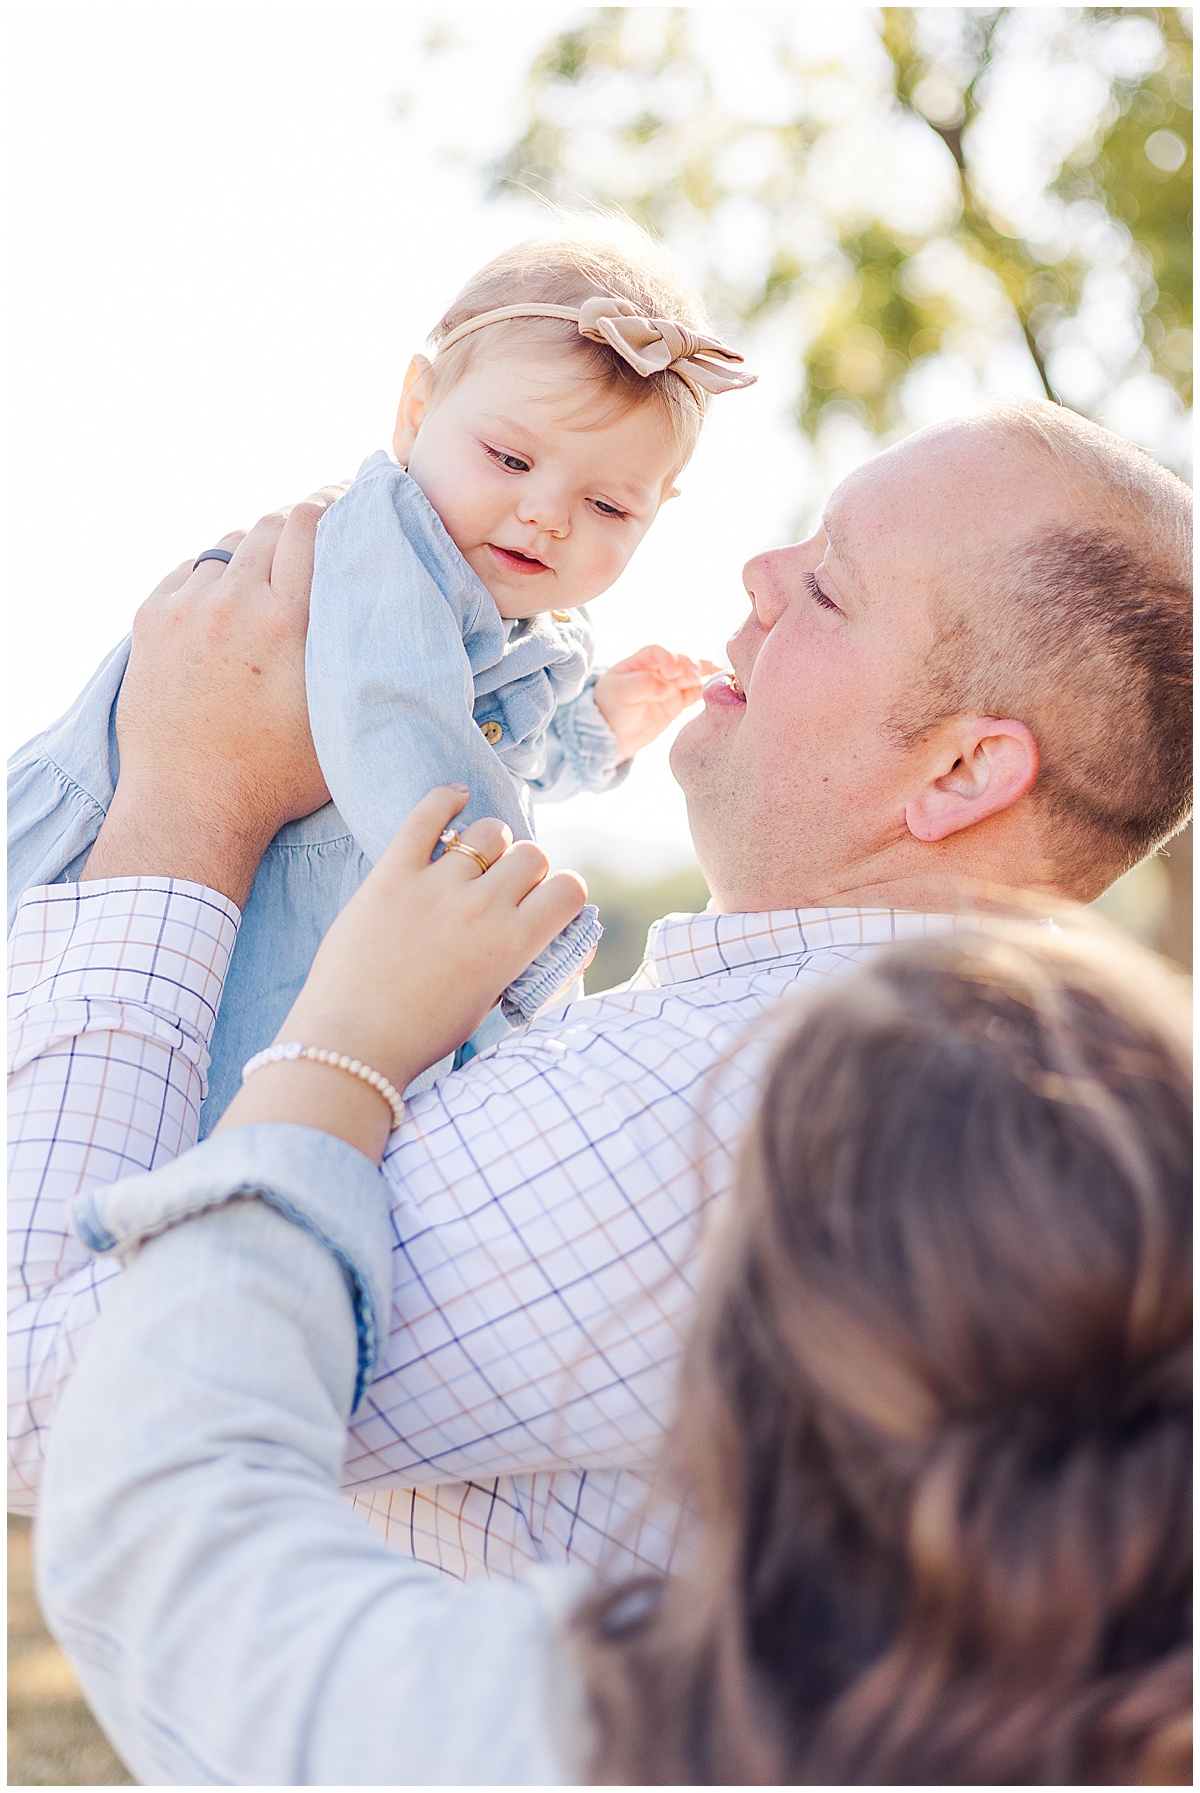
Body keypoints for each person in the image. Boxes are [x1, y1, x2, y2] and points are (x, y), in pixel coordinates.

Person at [9, 397, 1192, 1582]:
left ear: (962, 769)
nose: (762, 573)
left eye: (830, 587)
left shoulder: (718, 1103)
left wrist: (184, 802)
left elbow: (46, 1406)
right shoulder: (930, 1091)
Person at [34, 811, 1192, 1784]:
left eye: (835, 591)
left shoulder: (619, 1732)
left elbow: (137, 1485)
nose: (760, 573)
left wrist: (336, 1032)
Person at [8, 223, 751, 1124]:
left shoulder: (529, 623)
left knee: (229, 1096)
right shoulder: (380, 540)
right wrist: (515, 919)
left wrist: (593, 725)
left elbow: (499, 747)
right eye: (510, 459)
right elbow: (394, 714)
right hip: (138, 858)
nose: (547, 512)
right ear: (415, 410)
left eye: (607, 504)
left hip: (286, 895)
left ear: (658, 510)